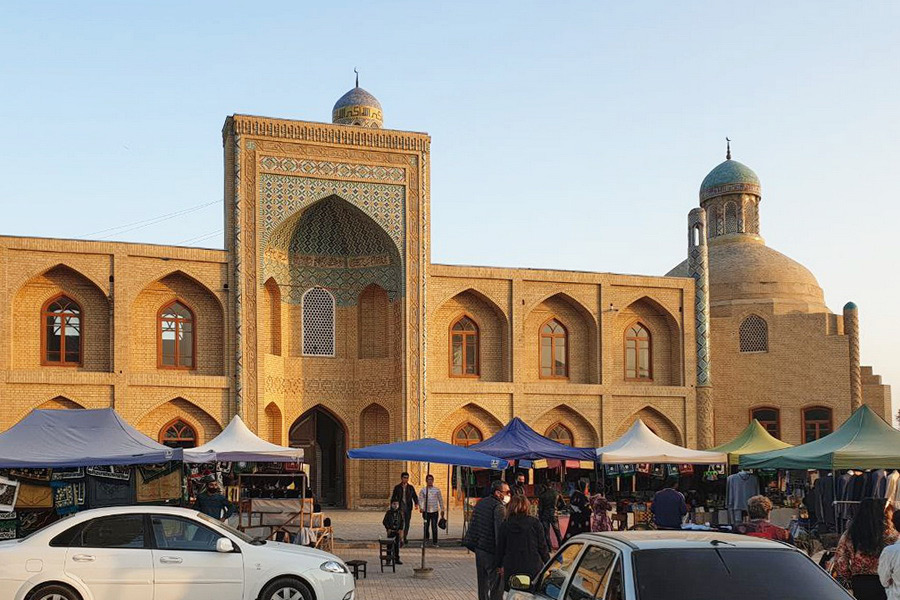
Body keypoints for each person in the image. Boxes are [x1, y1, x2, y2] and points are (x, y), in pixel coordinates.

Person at [834, 498, 897, 600]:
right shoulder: (892, 535)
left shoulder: (850, 534)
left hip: (860, 582)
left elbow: (840, 561)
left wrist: (849, 577)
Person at [464, 480, 510, 600]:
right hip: (491, 552)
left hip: (479, 549)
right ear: (498, 493)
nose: (508, 495)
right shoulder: (499, 508)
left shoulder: (481, 503)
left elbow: (473, 526)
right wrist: (501, 559)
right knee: (496, 586)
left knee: (482, 584)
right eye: (507, 492)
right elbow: (499, 534)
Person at [497, 495, 550, 591]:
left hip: (512, 566)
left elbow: (501, 548)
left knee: (513, 592)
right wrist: (548, 563)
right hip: (533, 566)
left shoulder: (505, 524)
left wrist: (499, 565)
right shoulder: (535, 523)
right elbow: (542, 547)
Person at [390, 472, 418, 544]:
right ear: (401, 478)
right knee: (400, 523)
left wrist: (416, 503)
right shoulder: (397, 487)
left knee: (407, 523)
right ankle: (400, 537)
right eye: (404, 478)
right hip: (400, 508)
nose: (406, 479)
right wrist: (393, 506)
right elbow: (393, 497)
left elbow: (414, 496)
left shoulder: (410, 487)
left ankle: (405, 537)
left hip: (408, 508)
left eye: (407, 478)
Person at [418, 473, 444, 547]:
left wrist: (442, 509)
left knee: (434, 527)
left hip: (434, 511)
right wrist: (421, 507)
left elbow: (440, 500)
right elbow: (420, 499)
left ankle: (435, 542)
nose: (430, 481)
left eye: (431, 480)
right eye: (428, 479)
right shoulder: (423, 490)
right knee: (426, 526)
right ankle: (426, 540)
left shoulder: (437, 490)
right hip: (426, 512)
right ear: (426, 480)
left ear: (433, 481)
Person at [537, 483, 565, 550]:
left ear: (544, 486)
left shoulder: (542, 495)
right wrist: (557, 509)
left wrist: (539, 516)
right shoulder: (557, 493)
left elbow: (540, 508)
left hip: (545, 515)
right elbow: (563, 504)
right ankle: (562, 547)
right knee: (557, 532)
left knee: (546, 533)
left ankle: (549, 548)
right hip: (554, 514)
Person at [382, 500, 405, 565]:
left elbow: (402, 522)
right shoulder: (388, 513)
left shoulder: (400, 513)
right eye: (394, 504)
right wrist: (388, 528)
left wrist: (400, 529)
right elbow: (384, 521)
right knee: (389, 546)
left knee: (396, 546)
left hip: (397, 532)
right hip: (390, 531)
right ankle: (388, 560)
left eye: (397, 504)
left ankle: (396, 559)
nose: (395, 506)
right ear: (391, 504)